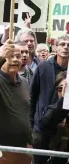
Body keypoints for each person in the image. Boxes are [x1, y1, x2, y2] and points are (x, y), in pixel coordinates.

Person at [0, 40, 31, 164]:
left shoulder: (24, 82)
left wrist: (30, 140)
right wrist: (0, 57)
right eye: (10, 56)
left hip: (22, 149)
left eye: (18, 56)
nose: (15, 60)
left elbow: (26, 112)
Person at [30, 35, 69, 164]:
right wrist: (31, 126)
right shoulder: (43, 67)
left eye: (68, 45)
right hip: (41, 128)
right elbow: (32, 96)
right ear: (55, 47)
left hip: (65, 129)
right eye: (62, 44)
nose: (65, 47)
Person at [40, 71, 69, 164]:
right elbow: (46, 124)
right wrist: (64, 99)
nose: (64, 92)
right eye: (60, 89)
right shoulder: (54, 108)